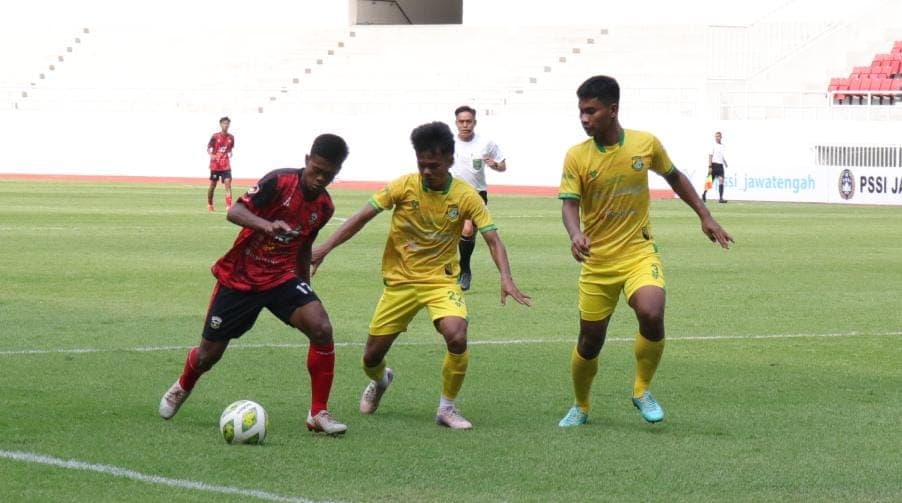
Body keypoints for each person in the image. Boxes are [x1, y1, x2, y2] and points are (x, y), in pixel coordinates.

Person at [311, 121, 531, 430]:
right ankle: (381, 380)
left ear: (450, 160)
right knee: (371, 358)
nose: (427, 171)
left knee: (457, 335)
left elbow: (493, 238)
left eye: (434, 165)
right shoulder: (403, 186)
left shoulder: (466, 196)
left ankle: (447, 408)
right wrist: (324, 248)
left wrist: (506, 278)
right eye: (422, 164)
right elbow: (361, 217)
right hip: (400, 282)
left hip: (441, 281)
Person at [557, 75, 734, 428]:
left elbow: (675, 176)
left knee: (652, 312)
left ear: (612, 110)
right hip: (598, 261)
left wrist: (705, 215)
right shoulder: (577, 156)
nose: (584, 119)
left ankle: (641, 389)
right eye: (581, 112)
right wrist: (576, 234)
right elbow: (569, 204)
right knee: (590, 342)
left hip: (639, 253)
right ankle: (581, 404)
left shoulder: (645, 144)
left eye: (591, 111)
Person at [159, 133, 351, 435]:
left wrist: (306, 286)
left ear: (337, 172)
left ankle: (318, 413)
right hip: (241, 277)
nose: (320, 178)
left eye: (328, 174)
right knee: (209, 354)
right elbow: (234, 211)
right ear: (307, 161)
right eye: (316, 170)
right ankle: (183, 385)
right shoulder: (279, 181)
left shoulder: (324, 207)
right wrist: (267, 225)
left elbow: (303, 247)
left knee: (322, 327)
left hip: (282, 278)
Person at [450, 105, 507, 291]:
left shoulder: (486, 143)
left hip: (476, 194)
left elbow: (502, 165)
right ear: (456, 122)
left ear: (474, 122)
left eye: (469, 121)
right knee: (452, 234)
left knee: (467, 231)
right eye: (461, 121)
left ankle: (465, 270)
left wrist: (495, 165)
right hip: (452, 194)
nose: (465, 124)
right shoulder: (448, 143)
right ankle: (452, 268)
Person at [207, 116, 235, 212]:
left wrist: (230, 153)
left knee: (228, 183)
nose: (226, 125)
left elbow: (230, 148)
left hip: (226, 165)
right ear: (220, 124)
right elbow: (208, 148)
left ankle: (228, 206)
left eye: (227, 123)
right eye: (224, 123)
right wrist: (211, 155)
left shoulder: (231, 137)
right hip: (215, 165)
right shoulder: (215, 136)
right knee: (213, 185)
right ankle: (210, 203)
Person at [702, 131, 728, 203]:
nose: (717, 138)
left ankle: (720, 198)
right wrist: (710, 166)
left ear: (721, 137)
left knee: (721, 180)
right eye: (716, 136)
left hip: (720, 166)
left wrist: (725, 162)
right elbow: (710, 155)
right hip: (714, 165)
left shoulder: (723, 146)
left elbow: (721, 155)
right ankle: (704, 194)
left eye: (718, 136)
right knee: (710, 182)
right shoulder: (713, 145)